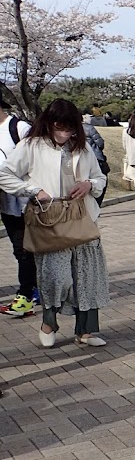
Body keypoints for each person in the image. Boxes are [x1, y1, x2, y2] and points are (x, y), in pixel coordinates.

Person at [0, 99, 108, 348]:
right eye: (59, 127)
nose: (64, 134)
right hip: (50, 220)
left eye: (69, 128)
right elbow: (5, 174)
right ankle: (49, 323)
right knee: (56, 277)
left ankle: (86, 331)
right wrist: (33, 191)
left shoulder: (82, 146)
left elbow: (99, 176)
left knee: (87, 277)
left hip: (83, 218)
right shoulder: (31, 145)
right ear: (49, 123)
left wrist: (89, 184)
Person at [0, 97, 37, 317]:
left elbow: (38, 160)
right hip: (6, 203)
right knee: (20, 249)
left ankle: (27, 295)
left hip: (26, 202)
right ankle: (32, 290)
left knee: (27, 249)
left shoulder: (19, 128)